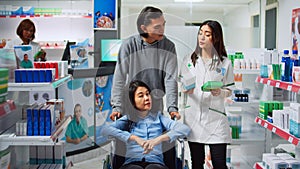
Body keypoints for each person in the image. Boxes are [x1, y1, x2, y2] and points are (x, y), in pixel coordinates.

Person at [180, 20, 234, 169]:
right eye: (200, 33)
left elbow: (229, 89)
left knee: (219, 164)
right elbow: (181, 83)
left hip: (215, 119)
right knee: (197, 163)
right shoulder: (189, 60)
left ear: (215, 38)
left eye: (207, 34)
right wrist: (184, 88)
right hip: (194, 117)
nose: (202, 37)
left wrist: (220, 92)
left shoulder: (225, 63)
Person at [110, 6, 180, 121]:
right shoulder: (129, 45)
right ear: (144, 28)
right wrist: (117, 107)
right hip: (132, 104)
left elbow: (170, 79)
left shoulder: (168, 46)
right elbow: (119, 77)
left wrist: (172, 108)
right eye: (157, 27)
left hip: (155, 104)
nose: (162, 30)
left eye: (163, 25)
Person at [101, 80, 190, 169]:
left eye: (147, 94)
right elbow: (105, 130)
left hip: (155, 162)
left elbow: (184, 129)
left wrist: (158, 139)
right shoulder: (127, 119)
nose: (147, 98)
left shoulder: (159, 118)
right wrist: (134, 138)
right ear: (132, 101)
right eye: (141, 96)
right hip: (132, 163)